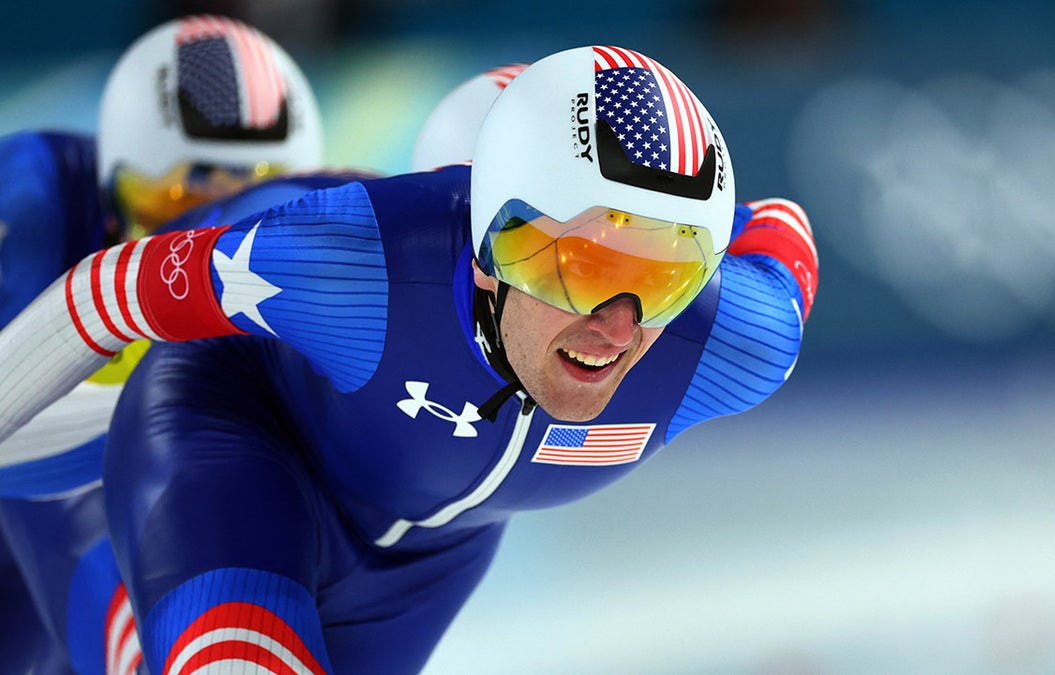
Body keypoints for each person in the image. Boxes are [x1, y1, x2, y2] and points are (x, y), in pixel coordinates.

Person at [0, 45, 818, 673]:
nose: (617, 325)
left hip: (426, 552)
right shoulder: (366, 266)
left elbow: (783, 227)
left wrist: (707, 223)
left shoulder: (732, 337)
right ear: (489, 237)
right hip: (236, 444)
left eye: (666, 277)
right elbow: (113, 287)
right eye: (584, 266)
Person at [0, 14, 327, 674]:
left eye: (245, 214)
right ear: (107, 190)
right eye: (175, 205)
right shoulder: (28, 198)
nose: (194, 246)